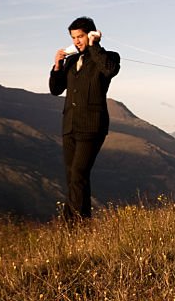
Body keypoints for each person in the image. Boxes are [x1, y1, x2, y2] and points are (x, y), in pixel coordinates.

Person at [49, 16, 121, 219]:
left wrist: (94, 45)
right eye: (73, 37)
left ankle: (74, 225)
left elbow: (109, 70)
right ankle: (78, 223)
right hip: (70, 126)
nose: (76, 41)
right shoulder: (71, 61)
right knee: (73, 177)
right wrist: (57, 65)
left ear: (90, 34)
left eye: (80, 36)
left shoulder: (108, 56)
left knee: (78, 174)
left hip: (92, 126)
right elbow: (55, 89)